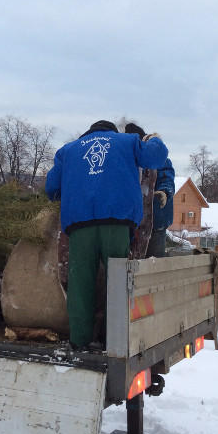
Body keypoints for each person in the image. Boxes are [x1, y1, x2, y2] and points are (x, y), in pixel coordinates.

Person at [45, 120, 168, 350]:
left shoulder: (68, 151)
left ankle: (79, 342)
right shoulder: (127, 141)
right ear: (112, 131)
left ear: (87, 132)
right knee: (118, 282)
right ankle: (114, 341)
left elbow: (52, 188)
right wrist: (155, 140)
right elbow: (156, 158)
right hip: (117, 225)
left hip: (79, 227)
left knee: (80, 284)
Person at [125, 123, 175, 258]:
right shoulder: (129, 162)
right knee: (131, 261)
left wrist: (164, 192)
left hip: (156, 220)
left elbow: (167, 179)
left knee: (153, 262)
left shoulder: (160, 160)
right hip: (132, 222)